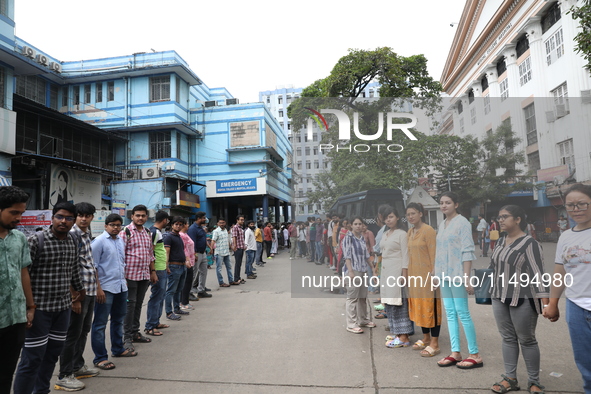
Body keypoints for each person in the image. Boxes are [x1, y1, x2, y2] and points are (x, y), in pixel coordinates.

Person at [14, 202, 86, 394]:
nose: (64, 221)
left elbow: (73, 270)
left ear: (73, 221)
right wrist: (28, 308)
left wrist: (80, 294)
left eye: (69, 218)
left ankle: (41, 391)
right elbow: (22, 275)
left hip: (62, 309)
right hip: (39, 310)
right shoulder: (36, 240)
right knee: (32, 358)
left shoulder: (72, 240)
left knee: (52, 355)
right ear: (52, 218)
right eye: (60, 217)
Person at [488, 205, 549, 394]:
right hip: (499, 296)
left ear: (518, 219)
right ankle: (510, 378)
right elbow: (493, 267)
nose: (501, 220)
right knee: (507, 338)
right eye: (499, 217)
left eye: (505, 217)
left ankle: (534, 381)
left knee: (527, 340)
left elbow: (539, 274)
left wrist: (546, 303)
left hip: (522, 298)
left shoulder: (530, 244)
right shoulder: (500, 241)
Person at [544, 184, 591, 393]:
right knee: (584, 359)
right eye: (570, 205)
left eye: (582, 203)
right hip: (576, 306)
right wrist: (553, 303)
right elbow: (559, 272)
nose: (576, 209)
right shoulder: (565, 236)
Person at [434, 191, 483, 369]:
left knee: (463, 312)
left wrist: (466, 277)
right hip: (444, 275)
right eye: (441, 203)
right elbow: (439, 253)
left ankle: (475, 354)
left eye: (447, 202)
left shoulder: (462, 223)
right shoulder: (443, 224)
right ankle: (455, 352)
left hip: (457, 275)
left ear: (456, 204)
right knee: (450, 313)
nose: (444, 205)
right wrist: (436, 275)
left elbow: (467, 251)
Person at [56, 202, 101, 391]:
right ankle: (65, 374)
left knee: (83, 331)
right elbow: (67, 267)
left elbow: (90, 264)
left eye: (87, 215)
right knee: (72, 334)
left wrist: (98, 287)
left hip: (89, 290)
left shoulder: (86, 234)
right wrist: (74, 295)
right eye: (80, 215)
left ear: (92, 217)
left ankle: (77, 366)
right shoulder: (73, 235)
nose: (84, 218)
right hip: (79, 293)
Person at [0, 186, 34, 393]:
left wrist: (30, 306)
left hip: (15, 319)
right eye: (14, 212)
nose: (19, 218)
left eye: (21, 213)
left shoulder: (19, 239)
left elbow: (23, 273)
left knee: (5, 374)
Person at [91, 214, 135, 372]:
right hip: (105, 288)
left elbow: (120, 263)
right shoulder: (98, 242)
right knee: (100, 324)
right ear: (105, 226)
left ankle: (118, 349)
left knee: (118, 320)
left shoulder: (120, 241)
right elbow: (93, 266)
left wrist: (124, 281)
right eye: (112, 225)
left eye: (118, 225)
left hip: (121, 286)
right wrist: (98, 288)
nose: (115, 227)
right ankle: (100, 358)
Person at [406, 202, 441, 357]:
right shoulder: (410, 232)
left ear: (421, 213)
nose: (410, 217)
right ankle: (426, 338)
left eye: (413, 213)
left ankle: (435, 343)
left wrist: (434, 275)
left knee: (431, 307)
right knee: (419, 306)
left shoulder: (428, 231)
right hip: (414, 276)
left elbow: (434, 254)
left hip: (428, 276)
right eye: (408, 214)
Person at [120, 205, 157, 350]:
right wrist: (122, 278)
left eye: (143, 215)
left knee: (138, 304)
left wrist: (152, 272)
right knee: (129, 306)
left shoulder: (148, 232)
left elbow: (150, 254)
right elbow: (120, 255)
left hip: (144, 275)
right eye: (137, 215)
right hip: (130, 275)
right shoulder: (126, 232)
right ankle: (127, 337)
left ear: (147, 217)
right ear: (132, 216)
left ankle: (135, 332)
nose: (140, 218)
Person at [379, 206, 411, 347]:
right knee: (390, 303)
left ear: (397, 217)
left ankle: (404, 337)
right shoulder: (386, 234)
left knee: (399, 303)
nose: (388, 220)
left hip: (397, 271)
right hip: (386, 272)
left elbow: (406, 255)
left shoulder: (402, 234)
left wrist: (404, 274)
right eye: (386, 218)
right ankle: (396, 332)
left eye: (391, 217)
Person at [342, 217, 376, 334]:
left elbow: (366, 256)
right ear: (351, 225)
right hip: (353, 271)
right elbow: (347, 256)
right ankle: (351, 324)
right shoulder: (348, 238)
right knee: (352, 298)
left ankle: (363, 320)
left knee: (362, 297)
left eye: (360, 224)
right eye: (355, 224)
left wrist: (372, 268)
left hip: (363, 270)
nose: (358, 226)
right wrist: (350, 272)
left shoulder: (361, 238)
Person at [145, 210, 170, 336]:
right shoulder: (154, 232)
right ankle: (150, 325)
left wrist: (166, 266)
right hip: (157, 269)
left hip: (162, 268)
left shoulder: (157, 232)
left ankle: (156, 321)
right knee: (156, 296)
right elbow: (151, 252)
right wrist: (153, 271)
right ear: (164, 220)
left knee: (161, 296)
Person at [164, 216, 189, 320]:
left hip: (182, 266)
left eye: (180, 224)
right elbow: (167, 252)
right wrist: (166, 266)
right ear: (172, 225)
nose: (178, 226)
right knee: (171, 290)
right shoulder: (169, 237)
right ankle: (169, 312)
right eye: (176, 224)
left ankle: (177, 308)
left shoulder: (179, 237)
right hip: (174, 266)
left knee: (179, 289)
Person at [188, 212, 211, 298]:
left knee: (203, 272)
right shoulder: (193, 229)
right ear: (198, 218)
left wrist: (208, 248)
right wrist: (194, 254)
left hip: (203, 252)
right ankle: (189, 292)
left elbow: (203, 239)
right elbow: (192, 243)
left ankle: (201, 290)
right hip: (197, 254)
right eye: (203, 218)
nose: (205, 219)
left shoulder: (201, 228)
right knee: (193, 274)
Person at [214, 218, 238, 287]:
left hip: (226, 252)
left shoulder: (225, 231)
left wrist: (231, 247)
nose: (222, 224)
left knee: (229, 267)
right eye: (220, 223)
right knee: (219, 268)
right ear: (218, 224)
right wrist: (211, 249)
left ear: (225, 223)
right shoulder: (216, 231)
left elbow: (227, 240)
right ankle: (221, 282)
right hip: (219, 252)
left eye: (223, 222)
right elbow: (213, 240)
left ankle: (231, 280)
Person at [180, 221, 196, 311]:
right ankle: (184, 302)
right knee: (186, 283)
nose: (188, 226)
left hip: (191, 260)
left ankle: (184, 301)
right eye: (187, 224)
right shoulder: (182, 235)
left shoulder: (185, 234)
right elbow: (184, 249)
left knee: (188, 282)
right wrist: (187, 260)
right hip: (187, 262)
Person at [231, 215, 246, 284]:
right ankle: (236, 279)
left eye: (243, 220)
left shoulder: (241, 228)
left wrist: (244, 246)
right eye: (241, 220)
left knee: (239, 263)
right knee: (237, 263)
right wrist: (234, 246)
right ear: (237, 220)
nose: (242, 221)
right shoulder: (235, 227)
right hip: (238, 248)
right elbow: (234, 237)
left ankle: (238, 277)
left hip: (241, 247)